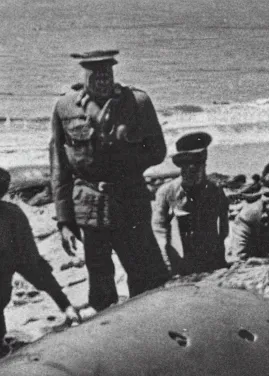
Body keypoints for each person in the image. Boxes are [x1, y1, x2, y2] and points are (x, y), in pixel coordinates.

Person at [50, 50, 169, 312]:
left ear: (114, 73)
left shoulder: (136, 103)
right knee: (101, 283)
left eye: (107, 74)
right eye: (96, 76)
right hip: (89, 208)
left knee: (146, 277)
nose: (103, 81)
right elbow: (59, 167)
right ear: (85, 76)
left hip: (130, 202)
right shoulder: (66, 107)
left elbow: (158, 151)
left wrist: (125, 150)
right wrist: (64, 221)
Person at [0, 168, 81, 354]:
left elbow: (32, 262)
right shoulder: (13, 213)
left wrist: (65, 305)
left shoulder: (12, 214)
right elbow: (33, 263)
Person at [152, 132, 229, 275]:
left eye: (198, 164)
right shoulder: (167, 192)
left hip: (210, 263)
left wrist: (221, 262)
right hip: (180, 265)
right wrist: (168, 265)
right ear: (181, 166)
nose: (192, 170)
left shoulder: (215, 191)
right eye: (187, 166)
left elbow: (224, 230)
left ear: (204, 164)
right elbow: (159, 232)